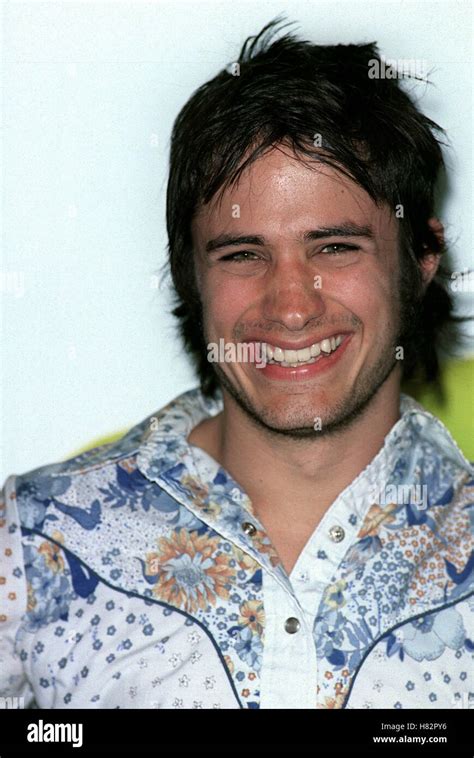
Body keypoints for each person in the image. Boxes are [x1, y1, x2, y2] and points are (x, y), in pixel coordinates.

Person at [1, 18, 472, 710]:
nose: (289, 306)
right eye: (242, 254)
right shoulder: (34, 543)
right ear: (191, 278)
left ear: (421, 259)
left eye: (335, 247)